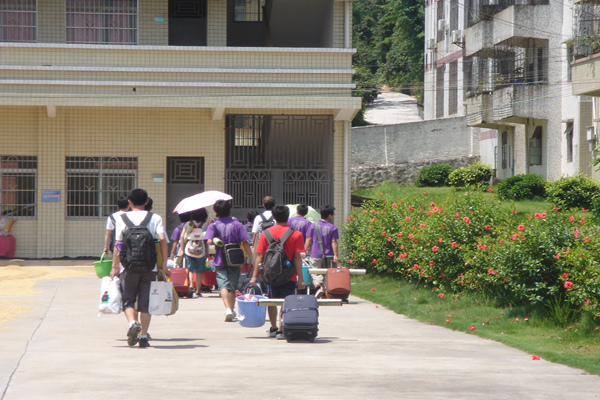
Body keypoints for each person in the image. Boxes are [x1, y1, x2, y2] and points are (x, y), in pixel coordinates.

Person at [111, 188, 169, 348]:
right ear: (146, 202)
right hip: (149, 267)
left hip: (128, 267)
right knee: (146, 302)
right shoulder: (155, 217)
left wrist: (114, 267)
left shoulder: (122, 218)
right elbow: (162, 239)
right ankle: (143, 336)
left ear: (129, 202)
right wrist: (164, 263)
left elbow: (118, 244)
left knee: (128, 300)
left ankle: (132, 323)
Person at [251, 205, 305, 339]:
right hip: (289, 274)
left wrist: (254, 276)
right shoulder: (296, 234)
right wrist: (301, 279)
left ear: (274, 217)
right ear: (288, 216)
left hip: (270, 274)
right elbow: (297, 258)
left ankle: (273, 328)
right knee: (286, 301)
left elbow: (260, 256)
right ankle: (281, 329)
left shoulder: (266, 233)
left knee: (271, 300)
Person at [205, 200, 255, 322]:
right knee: (233, 286)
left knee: (223, 285)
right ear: (229, 209)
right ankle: (231, 311)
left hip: (220, 259)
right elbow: (245, 243)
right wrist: (252, 259)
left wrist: (216, 240)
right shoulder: (237, 224)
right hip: (235, 259)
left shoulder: (213, 225)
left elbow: (209, 241)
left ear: (216, 211)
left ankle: (227, 309)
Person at [305, 205, 339, 299]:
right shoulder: (333, 228)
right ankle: (325, 294)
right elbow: (334, 242)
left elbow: (308, 239)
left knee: (315, 273)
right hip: (329, 255)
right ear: (329, 215)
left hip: (315, 254)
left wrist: (305, 250)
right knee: (328, 275)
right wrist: (336, 255)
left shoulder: (313, 225)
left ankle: (318, 287)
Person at [178, 208, 209, 297]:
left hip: (189, 249)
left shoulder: (188, 223)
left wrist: (182, 249)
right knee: (199, 271)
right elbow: (206, 240)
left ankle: (191, 286)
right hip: (201, 249)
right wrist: (207, 251)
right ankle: (198, 291)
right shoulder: (205, 224)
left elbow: (182, 237)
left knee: (190, 269)